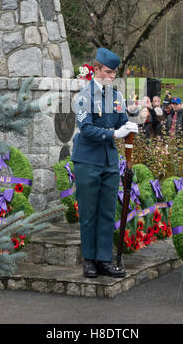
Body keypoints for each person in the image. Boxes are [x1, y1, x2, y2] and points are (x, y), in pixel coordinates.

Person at [71, 47, 138, 279]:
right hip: (88, 160)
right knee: (89, 212)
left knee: (108, 212)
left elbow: (122, 122)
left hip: (109, 161)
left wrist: (130, 127)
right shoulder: (83, 97)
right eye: (108, 72)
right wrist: (114, 134)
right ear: (96, 69)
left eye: (114, 73)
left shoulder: (116, 97)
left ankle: (104, 259)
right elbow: (86, 129)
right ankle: (89, 260)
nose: (111, 76)